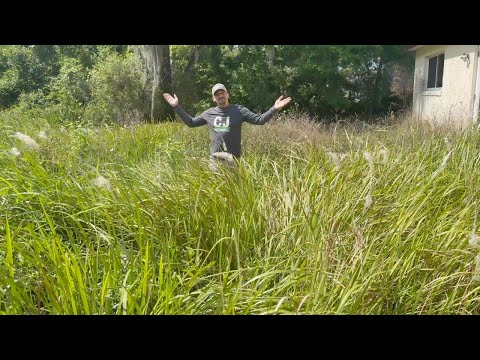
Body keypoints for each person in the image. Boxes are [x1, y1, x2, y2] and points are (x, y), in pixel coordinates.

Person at [163, 83, 292, 170]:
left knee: (232, 197)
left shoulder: (240, 110)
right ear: (214, 98)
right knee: (215, 194)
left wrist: (274, 109)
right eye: (217, 94)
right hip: (215, 160)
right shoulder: (209, 113)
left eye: (222, 93)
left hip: (233, 160)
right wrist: (176, 107)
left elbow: (259, 120)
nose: (220, 96)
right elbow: (191, 123)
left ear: (228, 94)